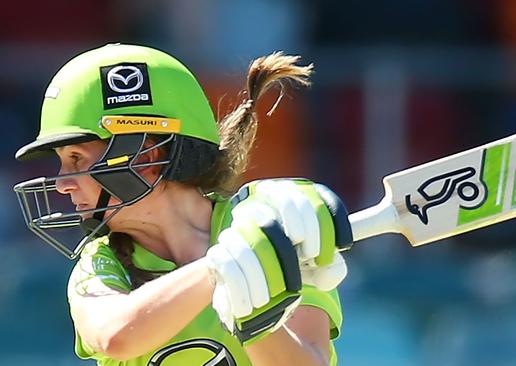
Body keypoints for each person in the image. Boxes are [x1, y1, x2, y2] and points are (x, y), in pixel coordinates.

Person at [13, 43, 352, 366]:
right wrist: (220, 267)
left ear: (146, 156)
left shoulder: (268, 222)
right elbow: (114, 337)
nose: (61, 183)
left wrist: (256, 319)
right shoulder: (100, 263)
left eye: (76, 158)